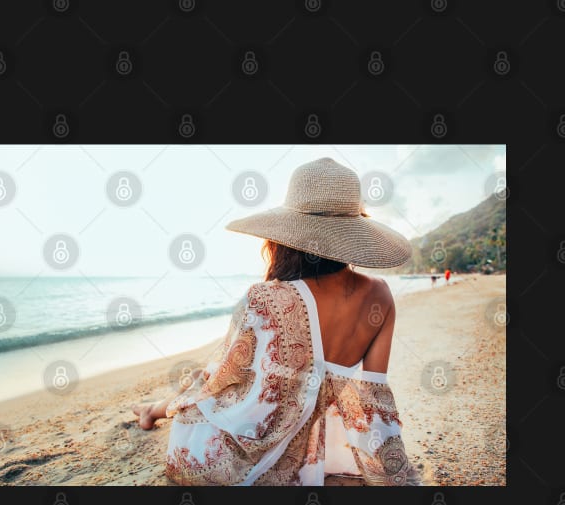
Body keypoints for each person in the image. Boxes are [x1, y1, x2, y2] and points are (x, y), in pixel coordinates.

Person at [133, 157, 421, 486]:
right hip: (302, 460)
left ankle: (152, 410)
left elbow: (222, 381)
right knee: (205, 379)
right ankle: (152, 409)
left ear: (286, 235)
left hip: (235, 462)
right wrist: (388, 467)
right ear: (353, 233)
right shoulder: (381, 296)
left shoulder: (264, 298)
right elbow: (374, 397)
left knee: (202, 380)